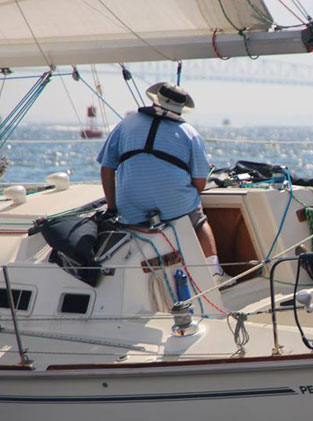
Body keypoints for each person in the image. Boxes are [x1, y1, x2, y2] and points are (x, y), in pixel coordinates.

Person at [97, 82, 231, 286]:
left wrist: (113, 208)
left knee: (135, 222)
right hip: (174, 206)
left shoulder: (126, 124)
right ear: (181, 107)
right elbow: (199, 183)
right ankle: (214, 273)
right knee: (198, 219)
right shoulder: (190, 133)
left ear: (155, 99)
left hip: (131, 207)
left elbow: (106, 168)